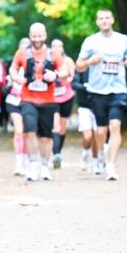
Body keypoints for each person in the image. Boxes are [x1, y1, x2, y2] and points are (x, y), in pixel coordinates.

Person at [76, 9, 127, 181]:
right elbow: (79, 65)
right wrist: (90, 61)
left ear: (112, 20)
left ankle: (111, 166)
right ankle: (101, 154)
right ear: (97, 22)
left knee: (115, 126)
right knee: (101, 130)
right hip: (97, 91)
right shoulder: (90, 41)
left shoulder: (123, 40)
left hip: (118, 90)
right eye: (101, 18)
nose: (104, 21)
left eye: (107, 18)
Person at [10, 23, 73, 181]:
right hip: (28, 99)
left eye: (40, 36)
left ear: (45, 36)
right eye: (34, 36)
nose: (37, 39)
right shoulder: (22, 52)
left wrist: (55, 75)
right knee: (29, 131)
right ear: (30, 36)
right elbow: (12, 69)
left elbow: (66, 71)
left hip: (48, 101)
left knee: (46, 136)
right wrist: (17, 78)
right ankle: (32, 165)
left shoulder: (53, 54)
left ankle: (44, 166)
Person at [49, 39, 76, 168]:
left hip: (66, 97)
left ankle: (59, 153)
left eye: (59, 46)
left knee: (62, 128)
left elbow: (72, 77)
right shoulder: (48, 61)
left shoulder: (68, 61)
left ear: (63, 48)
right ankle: (55, 155)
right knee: (55, 126)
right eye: (54, 46)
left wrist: (62, 78)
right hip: (52, 98)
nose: (56, 48)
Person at [6, 37, 30, 175]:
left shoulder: (35, 64)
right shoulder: (13, 64)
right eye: (22, 46)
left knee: (28, 132)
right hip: (13, 101)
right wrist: (9, 82)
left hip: (28, 101)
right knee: (19, 131)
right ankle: (19, 163)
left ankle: (27, 159)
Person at [71, 66, 99, 172]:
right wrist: (85, 87)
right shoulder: (81, 67)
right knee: (88, 136)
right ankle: (86, 152)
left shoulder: (102, 67)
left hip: (98, 106)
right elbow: (74, 84)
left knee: (97, 135)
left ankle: (96, 163)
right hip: (84, 107)